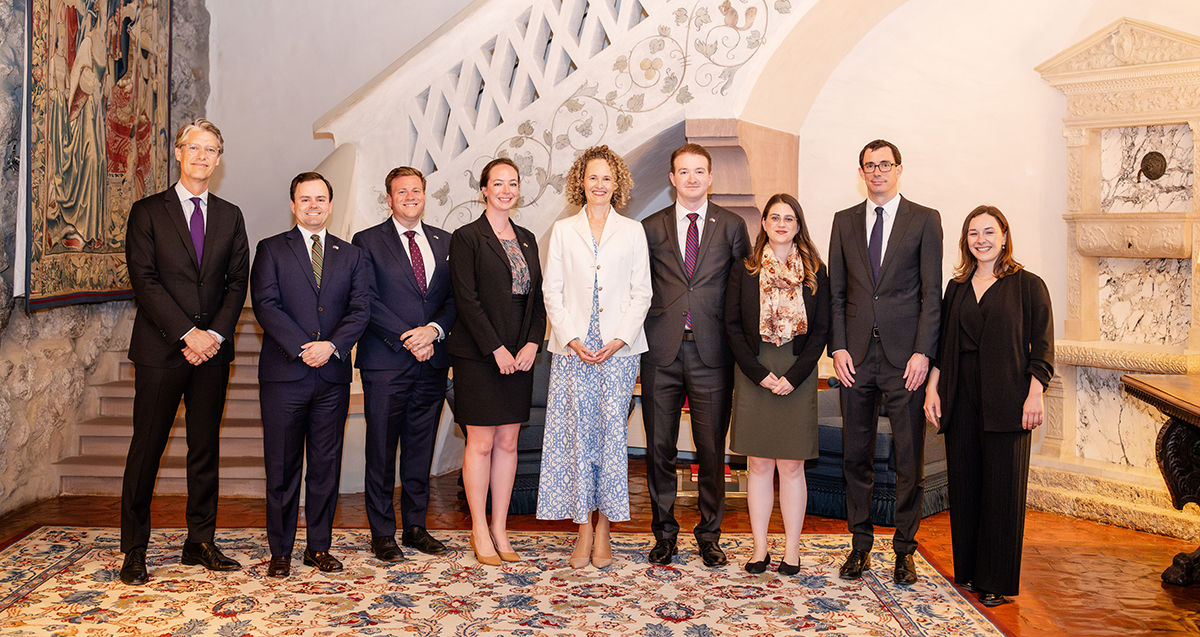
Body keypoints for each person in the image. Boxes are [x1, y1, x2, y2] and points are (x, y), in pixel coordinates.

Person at [120, 118, 249, 585]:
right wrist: (186, 334)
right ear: (178, 152)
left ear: (219, 158)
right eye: (193, 147)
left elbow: (237, 284)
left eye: (211, 149)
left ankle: (199, 542)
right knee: (146, 450)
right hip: (161, 349)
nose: (202, 156)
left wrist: (211, 335)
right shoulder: (147, 211)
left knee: (204, 448)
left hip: (211, 353)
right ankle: (134, 548)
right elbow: (145, 281)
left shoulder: (232, 215)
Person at [924, 205, 1053, 607]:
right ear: (966, 240)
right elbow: (943, 347)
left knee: (1003, 490)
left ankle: (996, 580)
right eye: (973, 233)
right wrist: (932, 390)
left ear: (1004, 235)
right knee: (965, 485)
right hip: (960, 395)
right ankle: (967, 572)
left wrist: (1036, 394)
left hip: (1009, 398)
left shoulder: (1028, 285)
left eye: (988, 232)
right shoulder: (956, 288)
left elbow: (1043, 348)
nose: (981, 239)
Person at [828, 139, 942, 585]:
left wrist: (923, 352)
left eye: (884, 165)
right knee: (855, 455)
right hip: (854, 358)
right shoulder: (843, 221)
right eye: (869, 166)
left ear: (899, 169)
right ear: (861, 172)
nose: (877, 172)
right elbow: (838, 294)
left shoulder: (924, 220)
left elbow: (931, 294)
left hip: (905, 361)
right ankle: (860, 545)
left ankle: (904, 549)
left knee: (908, 457)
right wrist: (837, 348)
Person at [249, 172, 371, 578]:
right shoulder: (270, 249)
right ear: (293, 204)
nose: (313, 206)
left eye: (321, 199)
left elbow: (360, 310)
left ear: (331, 205)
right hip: (285, 375)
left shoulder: (350, 255)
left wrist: (331, 346)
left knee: (325, 465)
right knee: (282, 468)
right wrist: (305, 347)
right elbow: (266, 306)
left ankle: (318, 547)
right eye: (305, 199)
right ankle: (280, 550)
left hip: (332, 378)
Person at [538, 146, 651, 569]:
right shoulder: (564, 230)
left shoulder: (633, 231)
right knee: (578, 439)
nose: (599, 185)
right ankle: (582, 527)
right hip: (575, 352)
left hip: (618, 353)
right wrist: (570, 338)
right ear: (580, 183)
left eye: (606, 178)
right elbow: (552, 291)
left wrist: (620, 339)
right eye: (592, 177)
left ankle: (604, 527)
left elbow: (643, 293)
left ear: (616, 183)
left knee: (609, 439)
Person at [641, 143, 751, 567]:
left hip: (713, 353)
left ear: (710, 177)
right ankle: (664, 534)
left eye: (699, 171)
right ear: (672, 178)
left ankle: (709, 535)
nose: (691, 179)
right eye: (683, 172)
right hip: (660, 352)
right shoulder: (649, 227)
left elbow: (743, 290)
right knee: (660, 449)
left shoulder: (733, 226)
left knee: (711, 451)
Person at [353, 167, 456, 560]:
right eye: (401, 191)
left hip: (432, 361)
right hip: (387, 361)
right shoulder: (367, 241)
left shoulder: (444, 242)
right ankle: (382, 532)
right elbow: (366, 300)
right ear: (389, 198)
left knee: (420, 448)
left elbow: (452, 301)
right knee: (381, 449)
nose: (410, 196)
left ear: (425, 195)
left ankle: (415, 527)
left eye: (416, 190)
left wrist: (432, 331)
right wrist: (409, 337)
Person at [447, 157, 546, 566]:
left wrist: (531, 345)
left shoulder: (527, 237)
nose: (506, 189)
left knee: (509, 442)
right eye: (498, 183)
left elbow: (538, 299)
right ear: (484, 189)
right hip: (479, 357)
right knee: (482, 442)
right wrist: (497, 350)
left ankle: (501, 528)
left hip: (520, 357)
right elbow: (466, 301)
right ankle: (478, 529)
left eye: (512, 183)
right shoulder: (467, 237)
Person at [724, 194, 829, 575]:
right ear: (764, 223)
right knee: (759, 463)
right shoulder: (744, 269)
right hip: (755, 370)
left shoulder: (816, 270)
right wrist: (759, 374)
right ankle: (759, 549)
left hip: (797, 372)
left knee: (792, 467)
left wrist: (795, 376)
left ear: (798, 225)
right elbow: (732, 327)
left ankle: (792, 551)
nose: (781, 223)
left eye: (789, 218)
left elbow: (821, 331)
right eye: (774, 217)